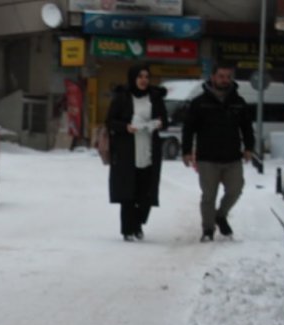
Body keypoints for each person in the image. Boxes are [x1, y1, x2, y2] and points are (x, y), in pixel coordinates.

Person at [181, 63, 255, 242]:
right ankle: (208, 229)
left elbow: (247, 128)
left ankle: (220, 215)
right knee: (208, 196)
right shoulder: (199, 103)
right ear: (213, 77)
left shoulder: (238, 102)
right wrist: (186, 151)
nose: (225, 80)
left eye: (228, 77)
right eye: (221, 76)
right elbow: (189, 128)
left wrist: (249, 147)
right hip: (208, 158)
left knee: (236, 189)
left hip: (232, 157)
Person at [105, 64, 168, 242]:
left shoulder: (155, 97)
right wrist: (126, 127)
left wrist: (159, 123)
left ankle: (138, 223)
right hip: (127, 151)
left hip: (148, 150)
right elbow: (110, 121)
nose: (143, 80)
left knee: (146, 193)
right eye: (140, 76)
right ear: (133, 78)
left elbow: (164, 120)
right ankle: (127, 229)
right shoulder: (123, 97)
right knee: (128, 192)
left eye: (146, 76)